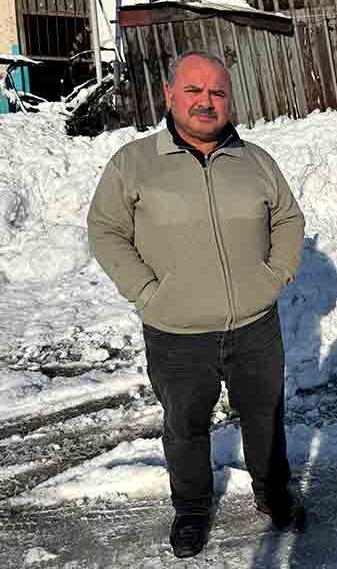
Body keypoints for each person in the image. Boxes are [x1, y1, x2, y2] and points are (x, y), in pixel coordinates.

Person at [87, 51, 305, 558]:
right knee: (184, 426)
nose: (206, 102)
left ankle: (273, 493)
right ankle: (190, 508)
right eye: (193, 90)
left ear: (229, 101)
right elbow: (106, 230)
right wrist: (148, 293)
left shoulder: (255, 161)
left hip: (255, 325)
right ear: (169, 95)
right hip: (176, 333)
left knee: (265, 416)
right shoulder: (134, 163)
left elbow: (288, 219)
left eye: (217, 92)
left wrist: (274, 276)